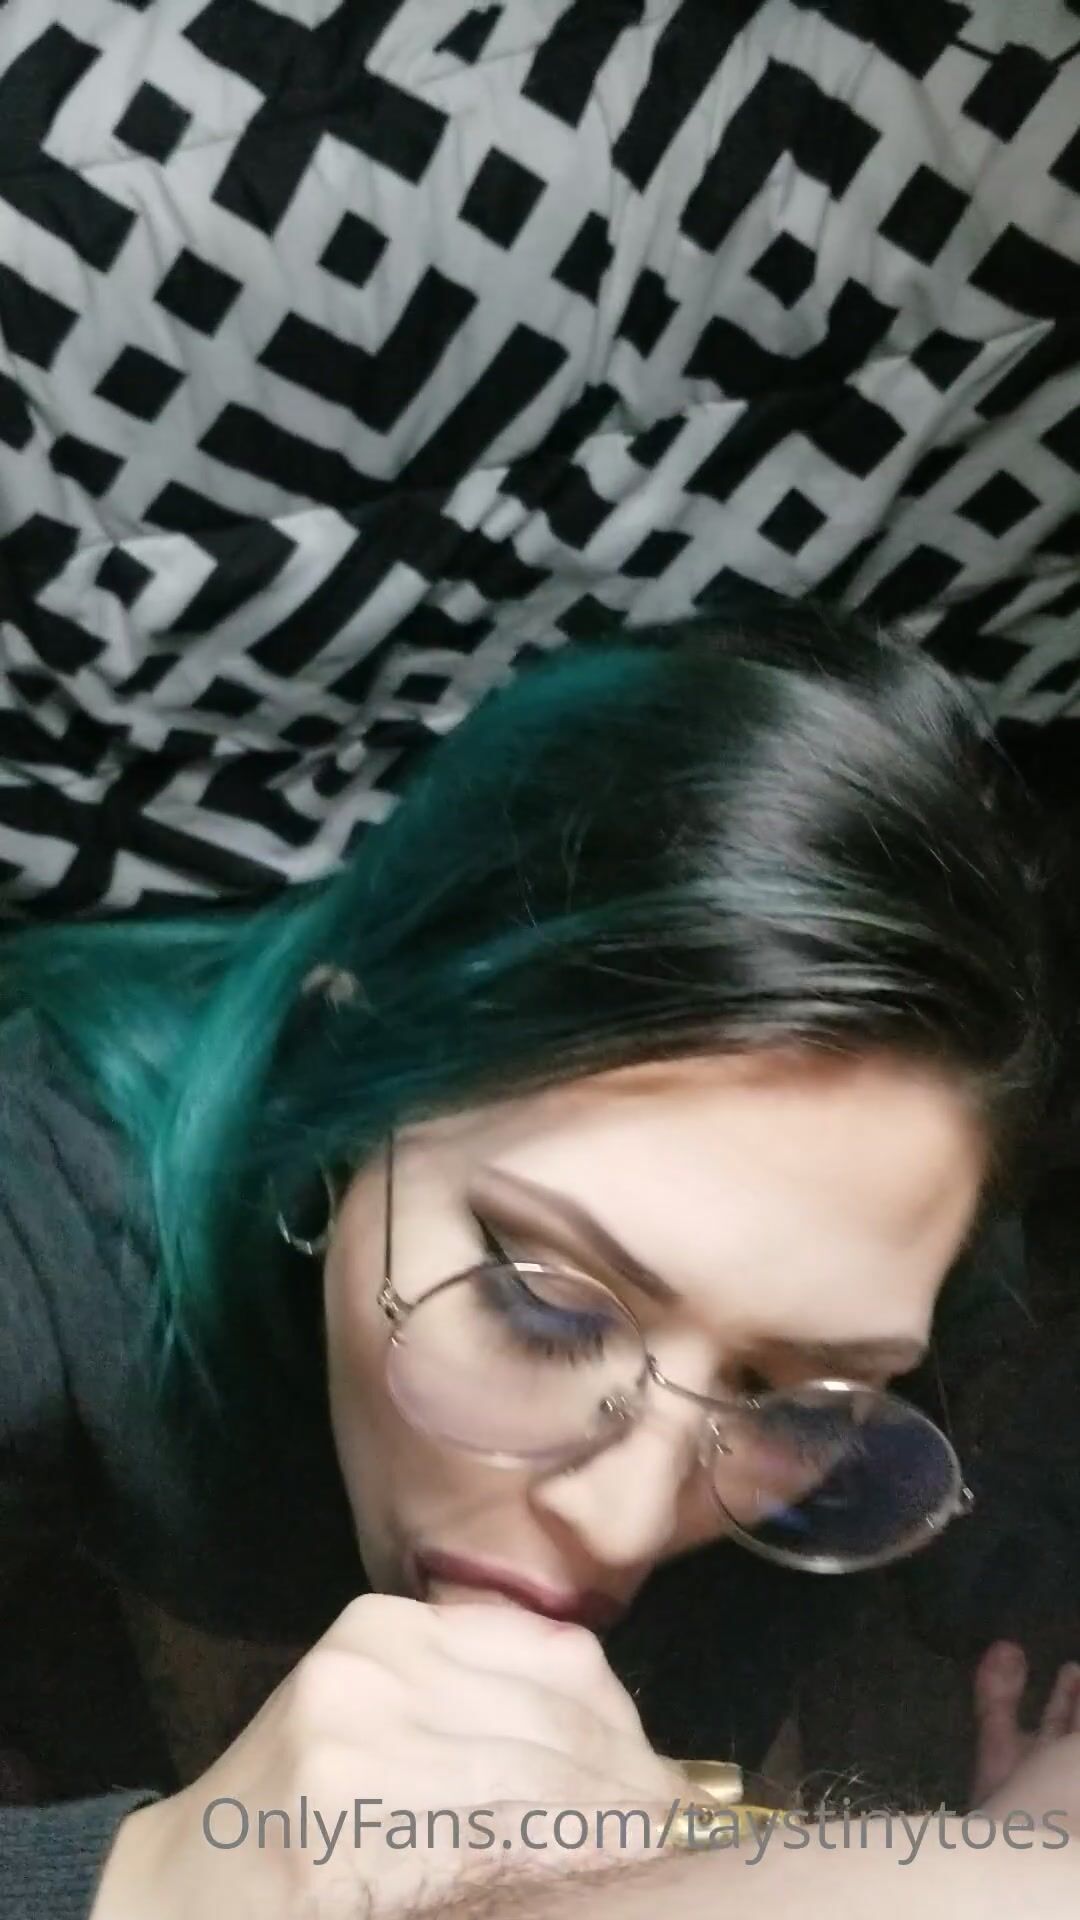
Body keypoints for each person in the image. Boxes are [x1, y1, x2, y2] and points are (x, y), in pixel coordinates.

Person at [0, 600, 1070, 1919]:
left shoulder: (896, 1296)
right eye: (542, 1305)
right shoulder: (47, 1203)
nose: (623, 1525)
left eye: (790, 1398)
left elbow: (683, 1714)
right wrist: (139, 1881)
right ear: (348, 1093)